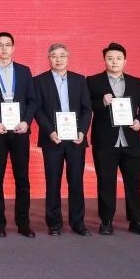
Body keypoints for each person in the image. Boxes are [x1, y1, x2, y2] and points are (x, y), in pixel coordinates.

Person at [86, 42, 140, 236]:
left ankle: (136, 220)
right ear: (104, 60)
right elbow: (85, 106)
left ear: (125, 61)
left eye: (118, 58)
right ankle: (106, 220)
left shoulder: (136, 82)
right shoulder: (93, 81)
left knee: (134, 182)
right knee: (106, 182)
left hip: (131, 140)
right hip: (105, 141)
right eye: (110, 58)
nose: (114, 62)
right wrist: (101, 102)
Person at [0, 32, 39, 238]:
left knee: (22, 179)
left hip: (20, 131)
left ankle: (23, 223)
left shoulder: (24, 71)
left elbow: (32, 100)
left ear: (13, 47)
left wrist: (26, 121)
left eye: (7, 45)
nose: (4, 49)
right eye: (0, 45)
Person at [33, 43, 93, 237]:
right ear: (48, 59)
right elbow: (37, 110)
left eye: (62, 55)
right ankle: (54, 224)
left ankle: (78, 223)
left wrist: (82, 131)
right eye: (54, 56)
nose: (58, 59)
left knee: (76, 182)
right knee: (53, 182)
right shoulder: (39, 81)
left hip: (76, 139)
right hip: (52, 139)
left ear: (68, 58)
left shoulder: (79, 80)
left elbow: (87, 109)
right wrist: (50, 131)